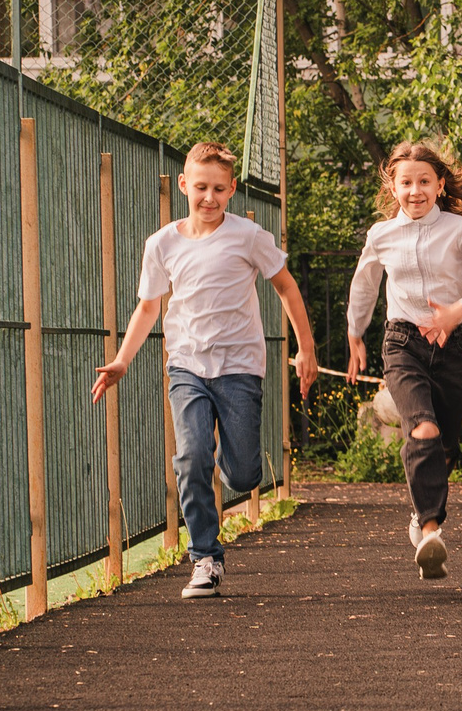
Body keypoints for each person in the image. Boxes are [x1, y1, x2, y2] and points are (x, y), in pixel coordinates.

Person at [94, 141, 319, 600]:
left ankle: (228, 459)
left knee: (242, 477)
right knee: (191, 456)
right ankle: (205, 557)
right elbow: (148, 308)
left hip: (239, 368)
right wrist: (122, 359)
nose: (209, 198)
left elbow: (286, 286)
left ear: (232, 189)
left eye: (219, 189)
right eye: (201, 188)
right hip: (187, 367)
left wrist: (306, 345)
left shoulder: (247, 236)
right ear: (183, 186)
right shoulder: (163, 244)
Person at [344, 141, 462, 580]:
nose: (415, 191)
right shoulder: (381, 235)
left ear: (439, 184)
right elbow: (364, 285)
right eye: (406, 182)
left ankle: (420, 512)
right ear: (392, 187)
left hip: (451, 344)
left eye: (424, 182)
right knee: (423, 428)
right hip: (403, 342)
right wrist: (356, 333)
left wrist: (457, 311)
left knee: (444, 447)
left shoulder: (458, 229)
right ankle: (431, 530)